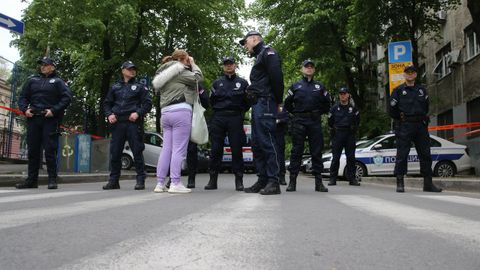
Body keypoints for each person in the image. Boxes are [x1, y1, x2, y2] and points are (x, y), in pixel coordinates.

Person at [16, 56, 72, 189]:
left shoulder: (58, 82)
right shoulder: (32, 80)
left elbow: (67, 98)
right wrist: (25, 109)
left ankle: (52, 180)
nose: (43, 66)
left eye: (46, 64)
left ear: (52, 67)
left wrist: (54, 110)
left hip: (50, 119)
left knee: (50, 150)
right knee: (33, 151)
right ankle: (31, 180)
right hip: (33, 119)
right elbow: (23, 97)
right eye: (41, 64)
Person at [152, 49, 203, 194]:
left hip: (165, 112)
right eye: (187, 59)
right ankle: (175, 182)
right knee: (179, 149)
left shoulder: (161, 73)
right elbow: (198, 79)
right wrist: (193, 64)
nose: (188, 61)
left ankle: (160, 183)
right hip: (181, 111)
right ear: (182, 59)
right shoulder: (179, 71)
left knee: (166, 149)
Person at [240, 30, 284, 195]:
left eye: (246, 42)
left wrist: (278, 101)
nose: (245, 46)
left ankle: (274, 181)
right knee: (257, 144)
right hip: (258, 103)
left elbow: (277, 78)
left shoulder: (269, 52)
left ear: (253, 39)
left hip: (266, 102)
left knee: (267, 141)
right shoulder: (260, 56)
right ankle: (263, 179)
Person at [389, 64, 442, 193]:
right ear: (404, 74)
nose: (410, 74)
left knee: (425, 154)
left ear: (416, 75)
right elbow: (392, 110)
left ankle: (428, 184)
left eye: (412, 72)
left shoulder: (422, 90)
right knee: (402, 154)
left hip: (420, 126)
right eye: (407, 72)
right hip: (405, 125)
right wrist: (402, 119)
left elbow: (426, 107)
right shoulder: (398, 90)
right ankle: (400, 182)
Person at [103, 61, 152, 190]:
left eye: (134, 69)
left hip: (133, 123)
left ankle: (140, 179)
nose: (132, 71)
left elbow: (147, 104)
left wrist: (138, 113)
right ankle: (114, 180)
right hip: (118, 123)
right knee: (115, 152)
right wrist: (109, 114)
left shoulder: (140, 87)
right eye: (129, 69)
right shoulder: (115, 87)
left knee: (137, 151)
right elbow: (107, 103)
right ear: (123, 70)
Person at [284, 59, 330, 192]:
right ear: (302, 69)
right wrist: (297, 114)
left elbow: (327, 104)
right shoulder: (295, 86)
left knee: (316, 151)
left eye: (311, 67)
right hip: (299, 121)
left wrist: (317, 113)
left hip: (314, 121)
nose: (309, 68)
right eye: (306, 67)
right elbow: (287, 103)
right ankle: (292, 182)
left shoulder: (320, 87)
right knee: (296, 151)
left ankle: (319, 183)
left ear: (314, 70)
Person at [204, 56, 249, 191]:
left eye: (231, 64)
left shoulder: (243, 83)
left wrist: (240, 113)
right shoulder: (217, 83)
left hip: (235, 117)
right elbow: (211, 101)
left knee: (236, 149)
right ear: (223, 66)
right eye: (226, 64)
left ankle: (239, 180)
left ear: (235, 66)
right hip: (219, 117)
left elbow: (247, 102)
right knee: (216, 149)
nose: (228, 66)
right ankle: (212, 180)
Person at [328, 87, 361, 186]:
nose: (343, 95)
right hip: (338, 134)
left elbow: (357, 121)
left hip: (349, 135)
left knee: (351, 158)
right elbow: (330, 122)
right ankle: (333, 179)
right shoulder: (334, 108)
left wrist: (353, 129)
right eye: (341, 93)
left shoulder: (353, 108)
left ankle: (352, 179)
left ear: (348, 95)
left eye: (344, 93)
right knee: (335, 158)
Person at [185, 83, 209, 188]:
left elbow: (206, 102)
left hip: (192, 120)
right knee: (176, 150)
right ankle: (173, 178)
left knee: (191, 150)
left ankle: (191, 178)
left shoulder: (197, 85)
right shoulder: (176, 83)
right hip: (178, 119)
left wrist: (199, 90)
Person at [276, 104, 289, 185]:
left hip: (279, 135)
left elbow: (286, 119)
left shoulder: (283, 107)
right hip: (270, 135)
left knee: (280, 157)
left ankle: (282, 177)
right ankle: (271, 177)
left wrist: (278, 121)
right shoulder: (269, 105)